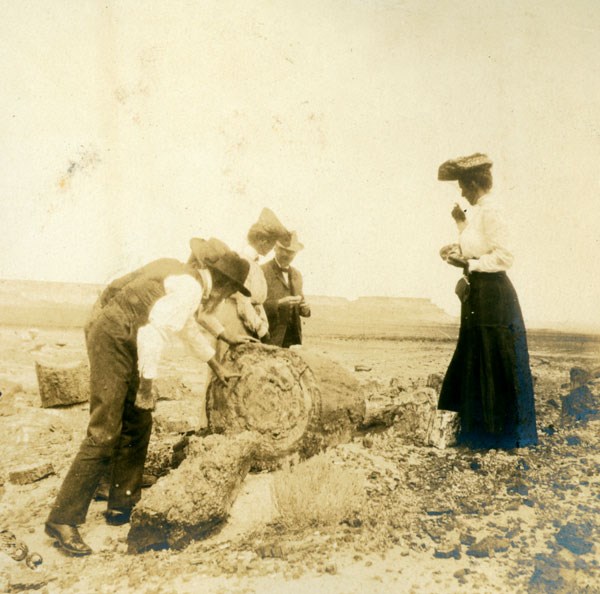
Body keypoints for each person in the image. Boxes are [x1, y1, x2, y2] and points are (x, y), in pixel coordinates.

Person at [45, 244, 255, 556]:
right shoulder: (190, 288)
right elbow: (153, 335)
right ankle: (62, 519)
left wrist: (216, 362)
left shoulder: (184, 277)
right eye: (228, 293)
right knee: (104, 429)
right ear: (222, 285)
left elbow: (185, 327)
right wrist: (146, 385)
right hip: (114, 335)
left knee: (140, 421)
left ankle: (122, 505)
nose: (224, 300)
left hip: (121, 333)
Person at [436, 153, 537, 450]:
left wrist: (470, 265)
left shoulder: (492, 211)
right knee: (477, 353)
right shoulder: (479, 212)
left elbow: (505, 256)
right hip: (480, 292)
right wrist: (460, 234)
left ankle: (499, 435)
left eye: (463, 186)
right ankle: (480, 432)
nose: (461, 191)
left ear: (473, 183)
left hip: (494, 294)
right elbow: (478, 248)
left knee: (493, 354)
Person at [213, 207, 290, 358]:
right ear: (262, 241)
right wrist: (261, 329)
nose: (273, 247)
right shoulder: (242, 262)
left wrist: (261, 325)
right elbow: (243, 302)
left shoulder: (254, 264)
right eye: (272, 243)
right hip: (236, 323)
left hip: (248, 323)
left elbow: (257, 303)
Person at [262, 232, 311, 348]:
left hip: (293, 339)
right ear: (275, 248)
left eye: (292, 252)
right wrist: (278, 303)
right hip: (270, 337)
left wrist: (305, 309)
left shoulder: (297, 274)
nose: (287, 255)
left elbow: (301, 305)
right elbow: (253, 306)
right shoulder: (262, 271)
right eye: (284, 250)